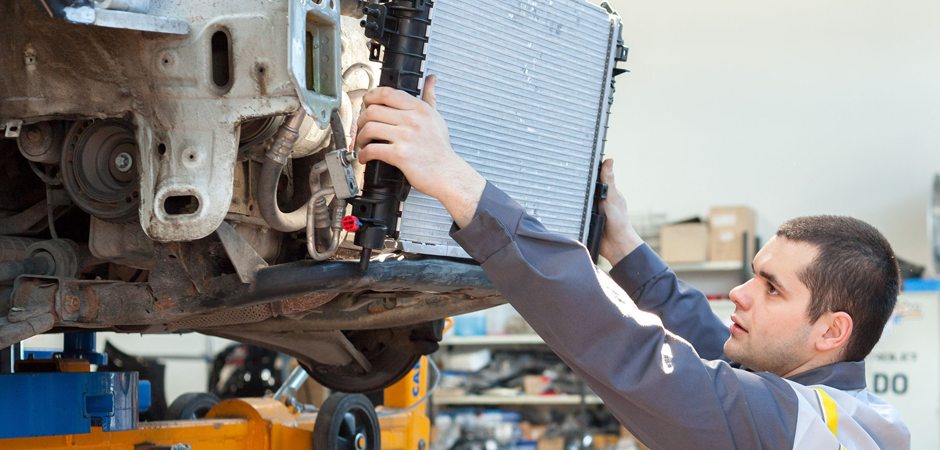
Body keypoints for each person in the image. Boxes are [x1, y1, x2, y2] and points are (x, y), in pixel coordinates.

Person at [354, 75, 910, 449]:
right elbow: (708, 343)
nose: (740, 294)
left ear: (833, 330)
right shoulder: (850, 409)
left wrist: (456, 182)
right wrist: (622, 244)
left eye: (772, 289)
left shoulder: (797, 427)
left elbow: (633, 353)